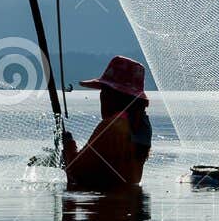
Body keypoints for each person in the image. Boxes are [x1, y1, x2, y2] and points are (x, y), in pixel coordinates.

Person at [61, 56, 152, 190]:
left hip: (105, 206)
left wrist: (68, 144)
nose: (102, 97)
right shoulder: (142, 125)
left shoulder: (112, 126)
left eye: (104, 91)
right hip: (130, 200)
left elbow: (76, 170)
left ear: (114, 96)